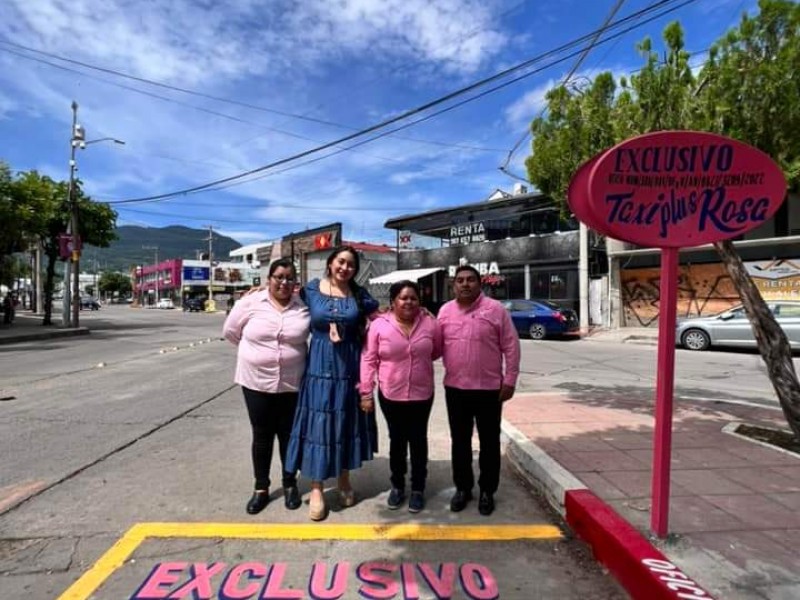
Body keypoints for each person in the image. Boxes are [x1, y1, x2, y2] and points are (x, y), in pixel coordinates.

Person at [286, 245, 380, 521]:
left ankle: (343, 479)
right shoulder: (311, 290)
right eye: (341, 262)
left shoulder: (360, 295)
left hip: (349, 368)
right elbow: (283, 296)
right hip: (318, 368)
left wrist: (419, 315)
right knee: (319, 425)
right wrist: (256, 294)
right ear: (330, 263)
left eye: (351, 265)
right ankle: (316, 487)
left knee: (344, 422)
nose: (345, 268)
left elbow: (382, 317)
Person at [222, 258, 310, 515]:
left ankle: (290, 483)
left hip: (292, 383)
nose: (284, 282)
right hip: (255, 382)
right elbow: (230, 331)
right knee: (261, 435)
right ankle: (261, 488)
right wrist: (255, 354)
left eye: (289, 278)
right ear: (268, 279)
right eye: (279, 277)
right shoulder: (249, 303)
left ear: (295, 282)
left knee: (288, 436)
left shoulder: (302, 307)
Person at [437, 265, 521, 516]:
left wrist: (510, 380)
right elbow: (434, 346)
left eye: (470, 280)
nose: (465, 284)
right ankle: (463, 488)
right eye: (460, 280)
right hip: (455, 389)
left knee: (489, 442)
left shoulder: (495, 310)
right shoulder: (444, 311)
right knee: (459, 442)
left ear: (480, 283)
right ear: (453, 285)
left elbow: (511, 346)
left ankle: (487, 491)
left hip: (489, 389)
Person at [360, 280, 442, 513]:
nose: (408, 302)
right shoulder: (379, 326)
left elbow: (436, 351)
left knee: (418, 441)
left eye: (413, 298)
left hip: (421, 394)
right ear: (393, 302)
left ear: (420, 302)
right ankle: (397, 486)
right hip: (390, 394)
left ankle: (418, 488)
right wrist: (366, 392)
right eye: (403, 298)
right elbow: (368, 359)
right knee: (397, 441)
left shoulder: (430, 324)